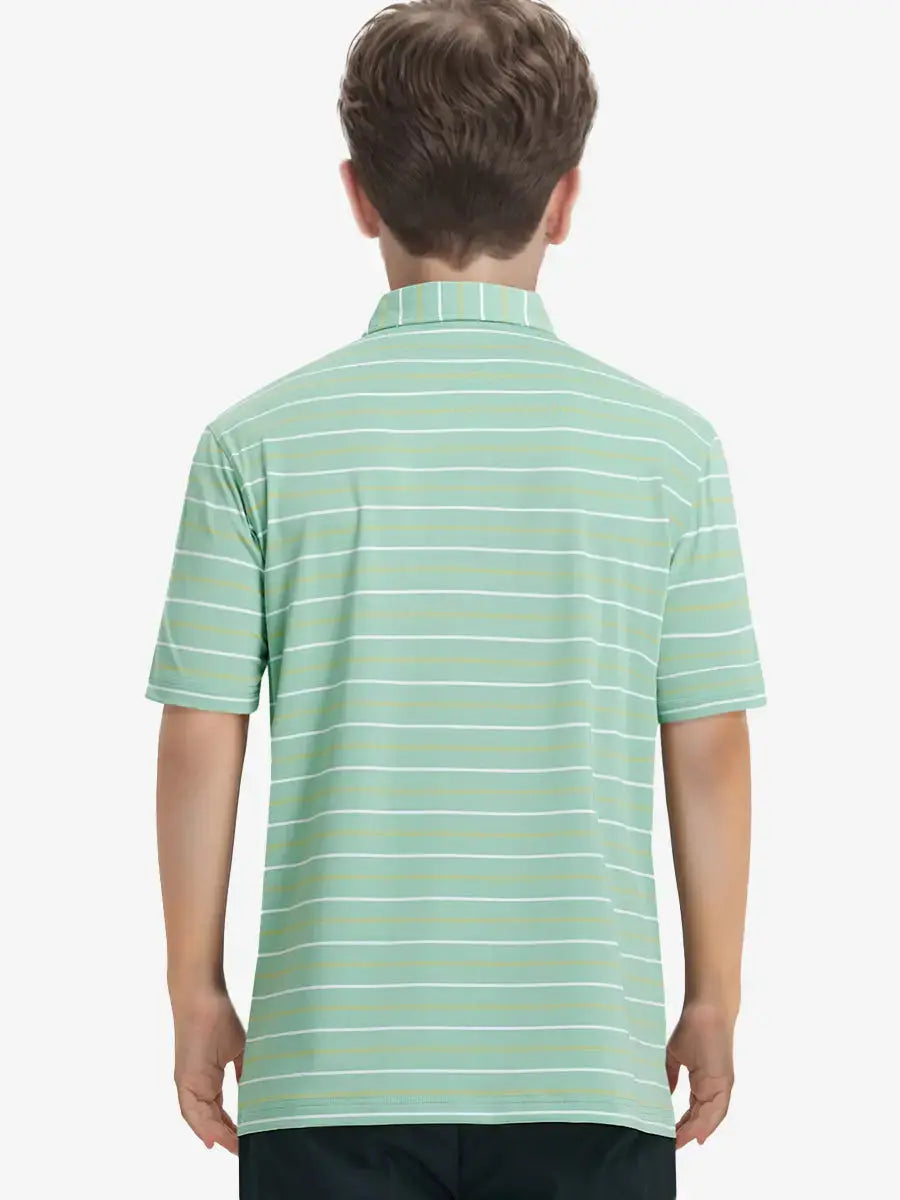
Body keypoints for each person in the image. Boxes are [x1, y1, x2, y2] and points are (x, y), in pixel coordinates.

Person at [148, 2, 765, 1196]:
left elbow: (200, 733)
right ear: (566, 200)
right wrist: (713, 997)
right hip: (585, 1066)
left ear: (358, 196)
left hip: (332, 1070)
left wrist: (195, 987)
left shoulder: (257, 443)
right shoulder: (666, 451)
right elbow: (710, 746)